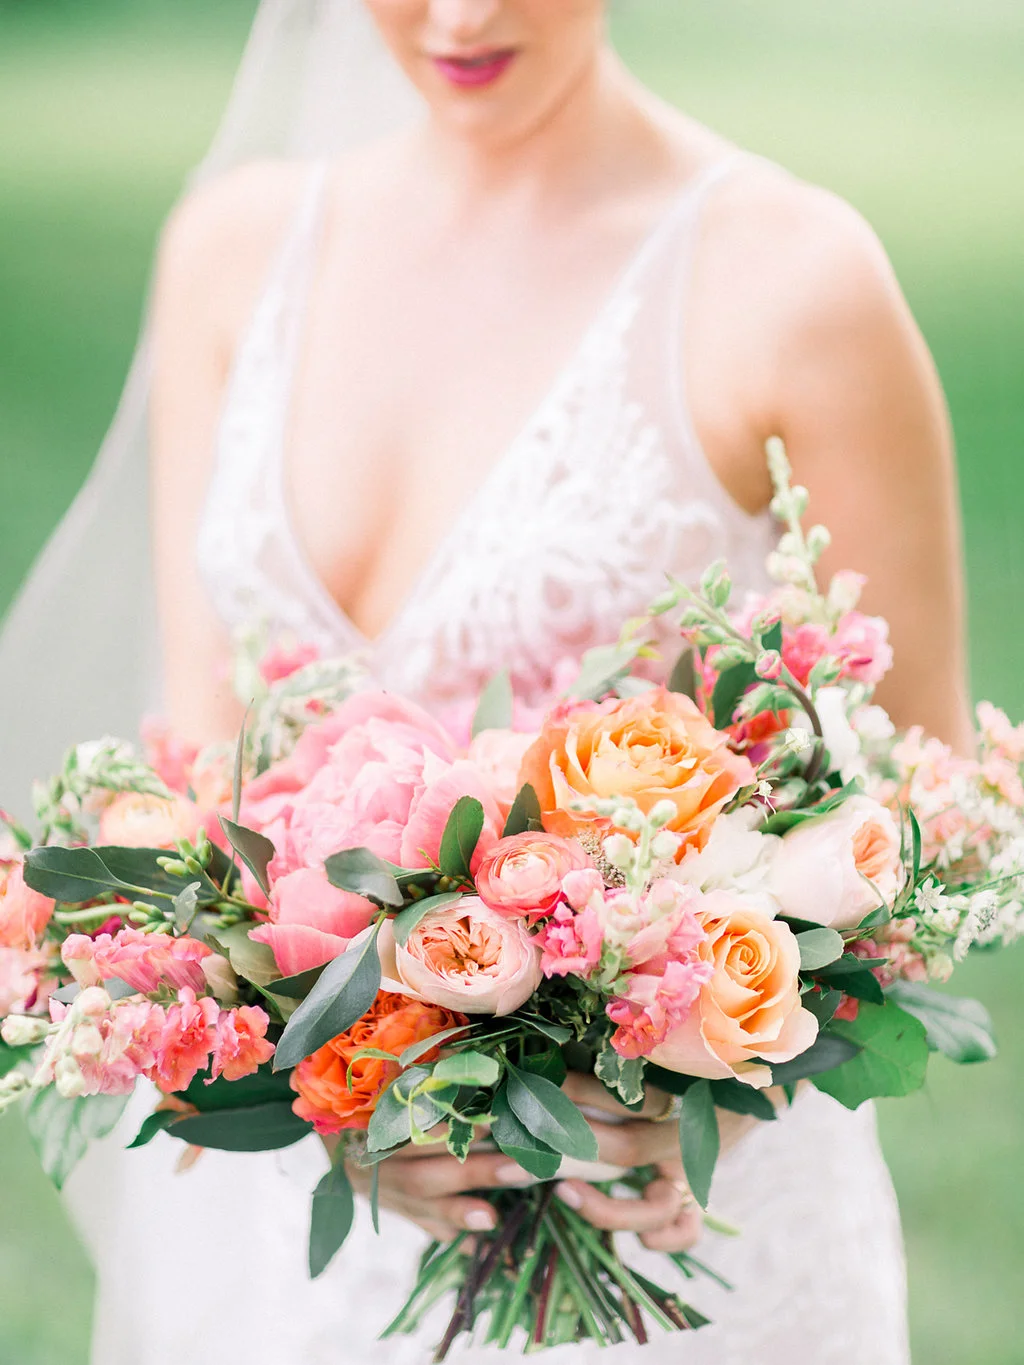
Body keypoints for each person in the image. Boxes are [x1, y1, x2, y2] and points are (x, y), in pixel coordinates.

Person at [14, 0, 970, 1361]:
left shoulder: (793, 276)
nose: (460, 16)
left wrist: (698, 1062)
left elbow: (930, 797)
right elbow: (203, 772)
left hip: (659, 1226)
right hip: (304, 1250)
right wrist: (331, 1109)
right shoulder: (230, 252)